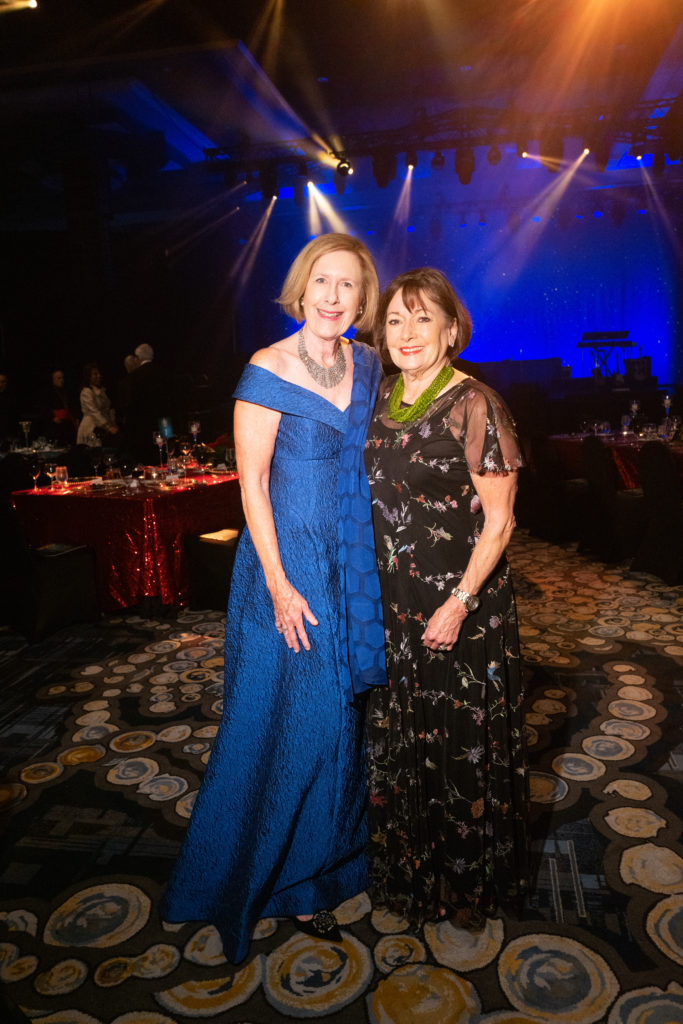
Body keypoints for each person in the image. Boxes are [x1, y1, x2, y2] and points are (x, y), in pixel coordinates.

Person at [162, 233, 386, 963]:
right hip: (282, 572)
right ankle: (260, 875)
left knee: (340, 722)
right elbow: (250, 486)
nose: (332, 297)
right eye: (321, 281)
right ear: (301, 287)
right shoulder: (266, 367)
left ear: (361, 299)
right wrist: (281, 583)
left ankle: (327, 863)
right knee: (279, 723)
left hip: (349, 568)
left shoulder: (369, 365)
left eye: (346, 286)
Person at [364, 267, 528, 929]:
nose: (406, 333)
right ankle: (412, 874)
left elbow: (500, 522)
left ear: (451, 329)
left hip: (460, 608)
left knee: (460, 743)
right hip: (392, 605)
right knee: (403, 741)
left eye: (421, 318)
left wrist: (458, 601)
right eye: (394, 321)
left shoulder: (474, 403)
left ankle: (466, 887)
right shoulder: (376, 400)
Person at [76, 364, 118, 445]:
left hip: (102, 427)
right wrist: (107, 426)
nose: (99, 376)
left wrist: (112, 424)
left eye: (99, 374)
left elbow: (107, 410)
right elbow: (93, 411)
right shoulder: (86, 392)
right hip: (91, 427)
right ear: (88, 376)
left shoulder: (101, 391)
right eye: (95, 374)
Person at [44, 369, 79, 445]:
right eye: (59, 378)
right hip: (56, 426)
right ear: (53, 380)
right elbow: (44, 407)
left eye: (62, 378)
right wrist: (52, 417)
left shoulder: (67, 391)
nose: (62, 380)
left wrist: (75, 418)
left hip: (68, 424)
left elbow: (72, 406)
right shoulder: (48, 393)